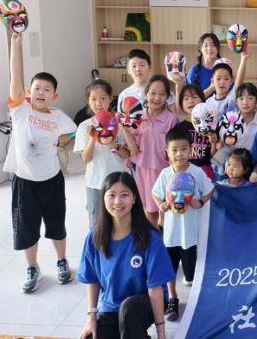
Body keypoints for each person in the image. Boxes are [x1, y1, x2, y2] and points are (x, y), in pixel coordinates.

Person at [5, 32, 77, 293]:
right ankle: (32, 267)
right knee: (26, 228)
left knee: (57, 225)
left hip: (52, 181)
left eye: (47, 90)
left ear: (55, 96)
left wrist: (63, 141)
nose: (41, 93)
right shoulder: (20, 110)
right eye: (36, 88)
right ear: (28, 92)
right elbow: (15, 77)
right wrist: (16, 45)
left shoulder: (59, 117)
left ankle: (61, 261)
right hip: (25, 183)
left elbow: (74, 131)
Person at [78, 172, 175, 339]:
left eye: (124, 195)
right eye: (111, 195)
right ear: (103, 198)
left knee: (129, 310)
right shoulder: (95, 236)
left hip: (145, 302)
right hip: (111, 306)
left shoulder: (150, 238)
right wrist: (91, 317)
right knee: (90, 336)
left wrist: (161, 331)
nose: (117, 201)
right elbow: (92, 279)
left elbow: (155, 288)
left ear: (134, 198)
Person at [151, 126, 214, 321]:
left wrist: (200, 202)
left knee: (191, 272)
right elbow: (155, 193)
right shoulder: (165, 174)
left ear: (191, 150)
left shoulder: (197, 172)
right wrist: (161, 205)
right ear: (167, 152)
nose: (179, 154)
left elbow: (210, 190)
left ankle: (196, 298)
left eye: (184, 149)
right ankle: (173, 298)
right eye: (174, 150)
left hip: (190, 233)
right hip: (170, 233)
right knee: (169, 268)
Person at [121, 75, 178, 225]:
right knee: (146, 209)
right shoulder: (138, 117)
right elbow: (134, 150)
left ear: (167, 97)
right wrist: (125, 129)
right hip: (141, 169)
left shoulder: (171, 119)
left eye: (162, 94)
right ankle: (151, 238)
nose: (157, 98)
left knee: (160, 211)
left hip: (161, 171)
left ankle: (161, 238)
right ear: (146, 93)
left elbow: (175, 150)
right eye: (153, 93)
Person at [75, 79, 129, 227]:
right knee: (97, 223)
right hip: (95, 182)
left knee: (121, 222)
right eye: (93, 99)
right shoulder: (84, 127)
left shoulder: (119, 124)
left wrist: (113, 145)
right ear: (88, 101)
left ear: (110, 99)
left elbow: (128, 154)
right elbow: (86, 158)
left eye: (103, 98)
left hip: (119, 180)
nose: (98, 103)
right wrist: (93, 138)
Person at [173, 84, 216, 181]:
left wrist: (213, 143)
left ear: (202, 100)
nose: (190, 101)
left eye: (195, 97)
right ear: (181, 104)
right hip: (185, 173)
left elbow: (213, 156)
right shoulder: (179, 128)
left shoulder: (210, 124)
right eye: (186, 98)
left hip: (206, 172)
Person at [203, 53, 248, 120]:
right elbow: (198, 98)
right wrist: (211, 87)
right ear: (212, 81)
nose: (222, 82)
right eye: (218, 79)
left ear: (231, 81)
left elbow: (239, 79)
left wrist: (243, 59)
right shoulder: (209, 102)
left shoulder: (231, 98)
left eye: (226, 79)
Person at [116, 49, 152, 114]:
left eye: (142, 65)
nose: (138, 69)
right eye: (134, 66)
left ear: (149, 68)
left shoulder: (160, 90)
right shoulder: (124, 95)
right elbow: (121, 118)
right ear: (128, 70)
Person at [185, 32, 221, 97]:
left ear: (218, 48)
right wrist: (212, 88)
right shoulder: (194, 71)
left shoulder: (224, 69)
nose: (209, 48)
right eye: (206, 46)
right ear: (200, 49)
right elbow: (191, 98)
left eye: (213, 45)